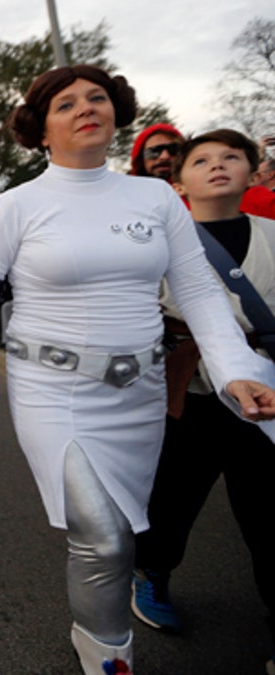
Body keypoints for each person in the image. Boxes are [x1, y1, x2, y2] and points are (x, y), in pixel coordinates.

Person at [0, 65, 275, 674]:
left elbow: (199, 291)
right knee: (103, 537)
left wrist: (233, 371)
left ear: (117, 113)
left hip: (141, 392)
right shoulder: (16, 206)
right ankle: (107, 657)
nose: (85, 108)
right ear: (42, 130)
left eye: (97, 98)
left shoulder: (154, 199)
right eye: (65, 104)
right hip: (53, 391)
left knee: (125, 529)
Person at [129, 129, 275, 672]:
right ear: (179, 181)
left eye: (231, 157)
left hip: (264, 398)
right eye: (202, 160)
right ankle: (153, 576)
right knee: (172, 499)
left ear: (252, 170)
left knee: (266, 514)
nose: (218, 166)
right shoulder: (157, 244)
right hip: (188, 397)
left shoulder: (272, 236)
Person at [132, 122, 275, 219]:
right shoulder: (128, 202)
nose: (164, 156)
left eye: (172, 149)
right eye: (153, 152)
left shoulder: (250, 197)